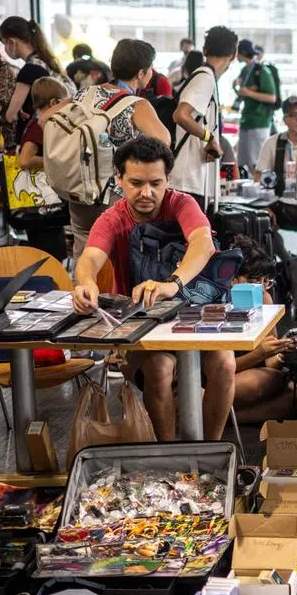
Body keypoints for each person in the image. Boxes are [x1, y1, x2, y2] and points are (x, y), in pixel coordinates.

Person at [72, 136, 235, 442]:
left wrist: (172, 283)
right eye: (135, 183)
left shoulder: (182, 204)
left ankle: (210, 451)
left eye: (156, 183)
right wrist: (87, 284)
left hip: (193, 317)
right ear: (119, 179)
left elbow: (203, 243)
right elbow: (90, 258)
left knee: (225, 363)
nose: (146, 192)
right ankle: (168, 459)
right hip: (142, 331)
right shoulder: (112, 219)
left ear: (168, 180)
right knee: (160, 367)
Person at [58, 39, 173, 257]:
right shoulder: (136, 105)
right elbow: (163, 140)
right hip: (113, 194)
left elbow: (47, 119)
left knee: (85, 254)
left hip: (79, 190)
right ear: (141, 74)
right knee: (117, 259)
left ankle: (83, 290)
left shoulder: (85, 94)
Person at [171, 25, 238, 212]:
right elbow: (181, 115)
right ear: (234, 54)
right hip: (186, 181)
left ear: (204, 51)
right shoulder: (205, 78)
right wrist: (210, 139)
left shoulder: (204, 77)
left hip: (190, 180)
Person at [230, 236, 296, 423]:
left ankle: (227, 416)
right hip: (220, 377)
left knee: (295, 393)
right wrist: (258, 354)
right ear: (233, 279)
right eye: (253, 280)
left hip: (256, 371)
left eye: (265, 281)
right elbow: (219, 369)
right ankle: (216, 411)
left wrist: (282, 352)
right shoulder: (219, 306)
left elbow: (270, 362)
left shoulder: (264, 298)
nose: (260, 288)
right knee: (258, 383)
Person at [0, 17, 72, 148]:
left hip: (40, 142)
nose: (5, 49)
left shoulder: (30, 69)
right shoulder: (45, 62)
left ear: (12, 42)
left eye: (4, 43)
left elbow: (10, 115)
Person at [254, 95, 297, 230]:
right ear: (284, 119)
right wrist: (265, 207)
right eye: (293, 115)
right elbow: (259, 177)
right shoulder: (272, 143)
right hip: (280, 204)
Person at [232, 39, 276, 170]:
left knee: (257, 162)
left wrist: (249, 93)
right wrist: (236, 88)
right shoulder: (244, 71)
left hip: (259, 121)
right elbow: (242, 94)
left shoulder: (262, 71)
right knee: (245, 161)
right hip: (247, 120)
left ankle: (260, 189)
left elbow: (272, 98)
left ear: (241, 53)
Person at [16, 77, 68, 172]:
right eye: (64, 104)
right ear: (54, 103)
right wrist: (58, 162)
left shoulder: (35, 122)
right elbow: (24, 161)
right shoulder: (38, 126)